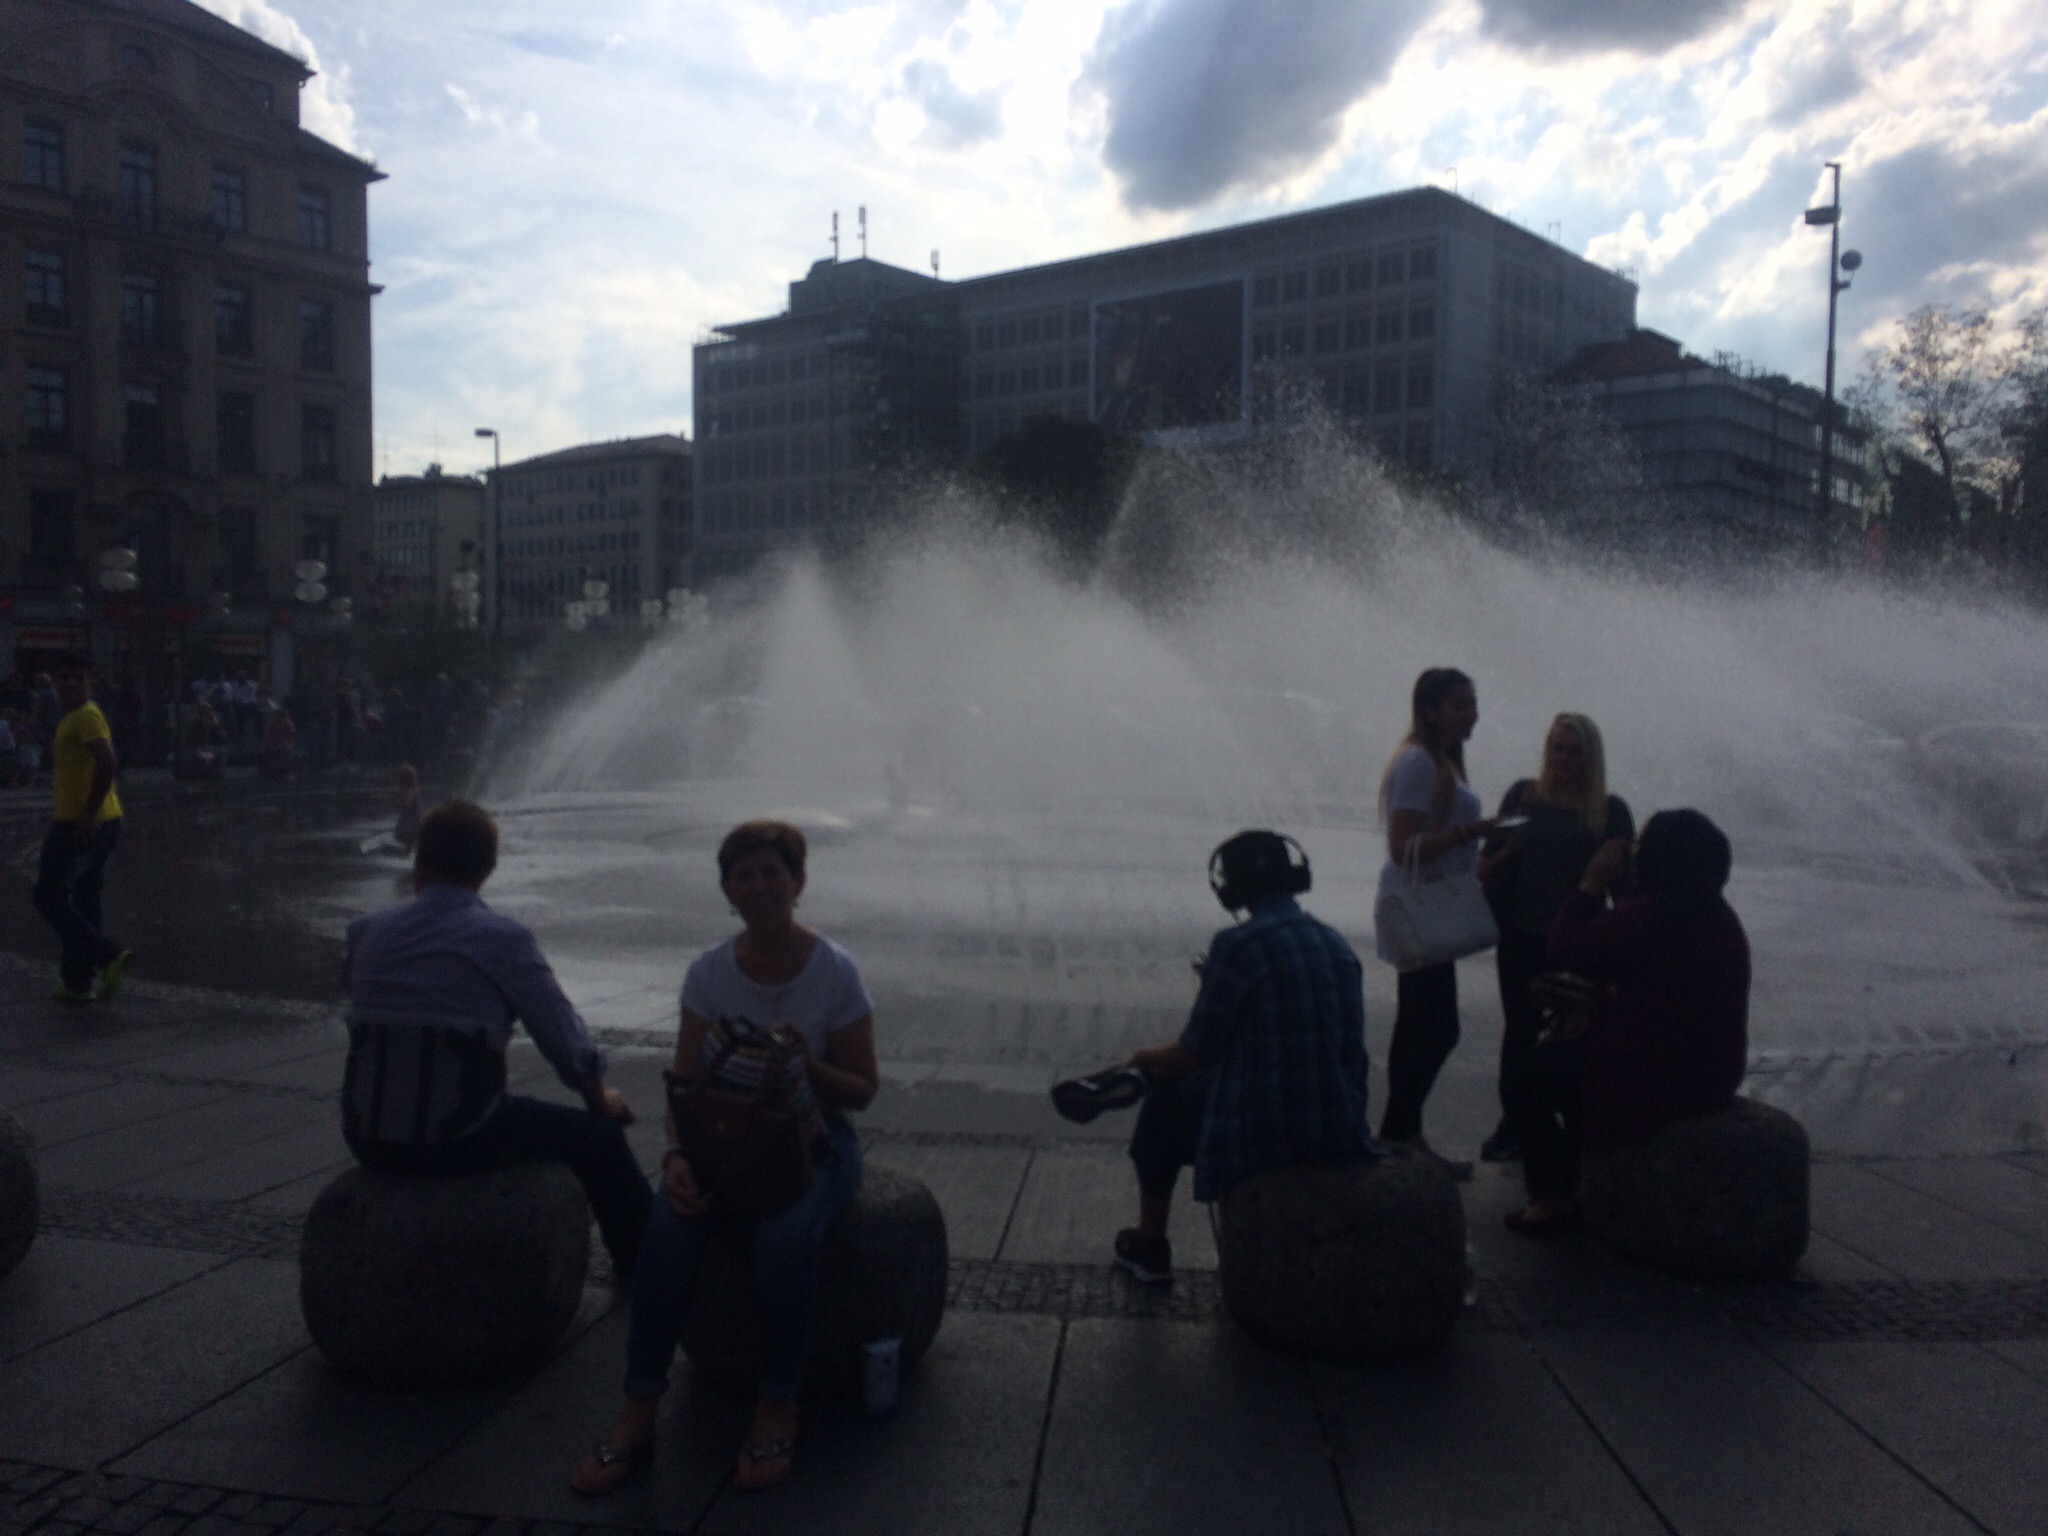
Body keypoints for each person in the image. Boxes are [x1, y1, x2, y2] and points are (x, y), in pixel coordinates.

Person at [574, 820, 879, 1498]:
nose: (760, 885)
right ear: (728, 892)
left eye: (773, 872)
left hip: (815, 1142)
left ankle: (778, 1402)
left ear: (799, 882)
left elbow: (863, 1089)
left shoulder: (835, 970)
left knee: (783, 1239)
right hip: (723, 1139)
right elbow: (684, 1085)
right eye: (745, 875)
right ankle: (638, 1405)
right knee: (668, 1227)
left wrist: (807, 1063)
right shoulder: (709, 973)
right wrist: (676, 1158)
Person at [341, 799, 651, 1265]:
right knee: (600, 1143)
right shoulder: (502, 939)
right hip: (462, 1134)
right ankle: (644, 1262)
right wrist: (598, 1100)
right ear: (489, 868)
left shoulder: (366, 931)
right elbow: (563, 1039)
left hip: (366, 1135)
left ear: (419, 861)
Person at [1064, 829, 1373, 1287]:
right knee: (1202, 1071)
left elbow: (1195, 1049)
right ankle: (1138, 1081)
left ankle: (1150, 1245)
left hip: (1268, 1128)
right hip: (1342, 1123)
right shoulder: (1336, 943)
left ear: (1230, 889)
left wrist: (1144, 1055)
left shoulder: (1238, 944)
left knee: (1165, 1096)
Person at [1501, 809, 1751, 1234]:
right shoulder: (1719, 919)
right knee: (1569, 1067)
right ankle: (1584, 1183)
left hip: (1651, 1076)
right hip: (1711, 1074)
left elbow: (1563, 946)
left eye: (1641, 849)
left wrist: (1591, 883)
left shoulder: (1652, 918)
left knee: (1524, 1078)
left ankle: (1552, 1197)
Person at [1475, 714, 1634, 1163]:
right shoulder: (1523, 796)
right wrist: (1505, 851)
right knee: (1520, 1031)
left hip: (1580, 940)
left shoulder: (1610, 811)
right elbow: (1488, 867)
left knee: (1574, 1034)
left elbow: (1623, 887)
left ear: (1591, 757)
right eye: (1557, 748)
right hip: (1521, 935)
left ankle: (1575, 1122)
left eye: (1574, 751)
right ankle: (1514, 1124)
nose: (1563, 759)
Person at [1374, 668, 1495, 1173]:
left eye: (1473, 704)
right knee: (1435, 1028)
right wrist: (1473, 831)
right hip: (1419, 910)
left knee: (1420, 1025)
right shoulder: (1420, 763)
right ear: (1430, 711)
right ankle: (1397, 1133)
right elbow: (1402, 846)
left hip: (1428, 908)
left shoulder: (1438, 762)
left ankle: (1403, 1134)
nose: (1471, 715)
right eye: (1459, 706)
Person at [33, 655, 131, 1004]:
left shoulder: (86, 716)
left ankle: (108, 956)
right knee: (85, 898)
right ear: (56, 682)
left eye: (79, 677)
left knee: (48, 896)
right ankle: (77, 982)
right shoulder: (73, 717)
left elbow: (107, 762)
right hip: (102, 819)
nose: (72, 683)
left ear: (91, 682)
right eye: (65, 677)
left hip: (80, 822)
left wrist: (87, 813)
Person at [392, 764, 424, 851]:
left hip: (410, 818)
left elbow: (408, 804)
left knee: (403, 836)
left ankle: (409, 848)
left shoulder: (410, 790)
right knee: (405, 837)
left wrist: (398, 801)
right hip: (412, 817)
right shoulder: (413, 789)